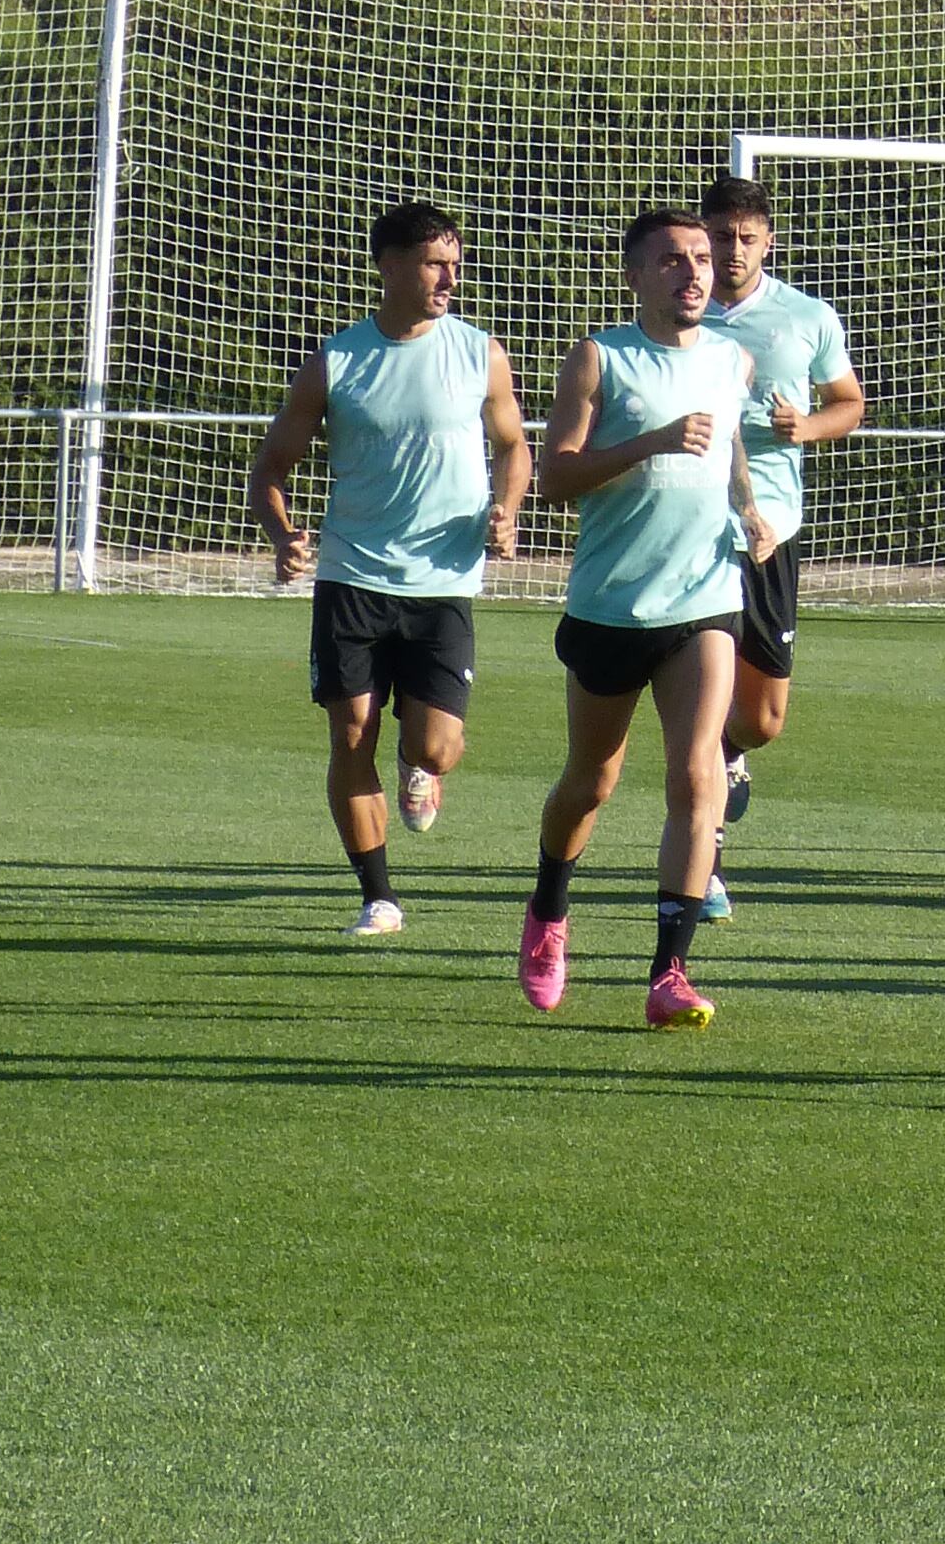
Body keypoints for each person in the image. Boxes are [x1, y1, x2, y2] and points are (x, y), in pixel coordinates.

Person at [248, 199, 533, 935]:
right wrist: (284, 536)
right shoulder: (337, 360)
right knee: (350, 735)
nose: (450, 277)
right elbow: (272, 466)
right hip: (353, 576)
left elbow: (513, 445)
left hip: (443, 581)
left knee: (435, 744)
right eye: (436, 263)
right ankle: (378, 895)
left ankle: (424, 769)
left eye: (456, 264)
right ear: (391, 266)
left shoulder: (479, 352)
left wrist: (507, 508)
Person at [523, 210, 768, 1028]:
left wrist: (751, 507)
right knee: (590, 783)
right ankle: (550, 909)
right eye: (672, 260)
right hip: (611, 605)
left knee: (698, 777)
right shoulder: (599, 358)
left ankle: (671, 972)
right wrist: (651, 441)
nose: (694, 272)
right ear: (636, 277)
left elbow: (727, 445)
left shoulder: (733, 359)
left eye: (701, 258)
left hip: (706, 599)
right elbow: (555, 478)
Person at [696, 173, 864, 910]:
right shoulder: (678, 314)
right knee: (701, 699)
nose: (731, 251)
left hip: (772, 535)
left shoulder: (806, 318)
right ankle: (703, 869)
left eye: (746, 238)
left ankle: (731, 755)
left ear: (769, 241)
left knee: (760, 719)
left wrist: (808, 427)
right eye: (720, 236)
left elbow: (848, 403)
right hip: (695, 533)